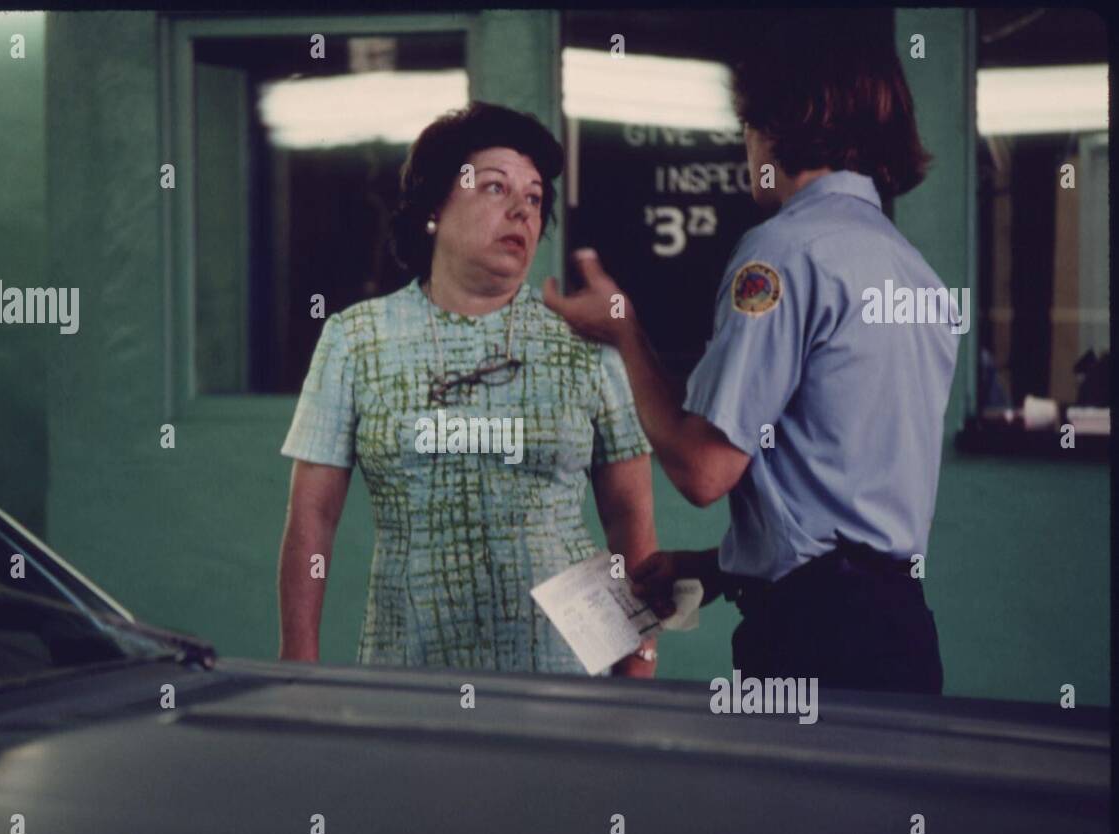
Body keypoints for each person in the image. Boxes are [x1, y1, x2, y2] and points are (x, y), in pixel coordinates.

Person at [543, 32, 957, 693]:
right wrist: (716, 567)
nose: (746, 148)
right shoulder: (919, 277)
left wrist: (623, 331)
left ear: (777, 126)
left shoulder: (782, 254)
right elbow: (843, 509)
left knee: (794, 801)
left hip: (812, 639)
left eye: (745, 126)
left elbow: (704, 469)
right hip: (900, 632)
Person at [279, 101, 658, 676]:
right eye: (494, 188)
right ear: (434, 205)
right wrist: (298, 663)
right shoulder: (356, 338)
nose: (521, 212)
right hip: (409, 663)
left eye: (533, 198)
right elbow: (313, 517)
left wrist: (639, 660)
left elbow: (630, 516)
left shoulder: (583, 338)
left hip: (574, 672)